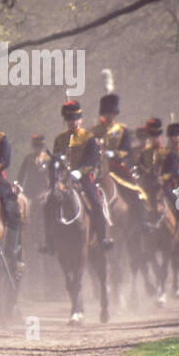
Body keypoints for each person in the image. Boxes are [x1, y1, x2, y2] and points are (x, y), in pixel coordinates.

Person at [43, 99, 112, 252]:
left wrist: (79, 172)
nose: (72, 122)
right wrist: (57, 171)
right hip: (63, 179)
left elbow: (92, 160)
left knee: (95, 202)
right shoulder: (59, 139)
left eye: (75, 119)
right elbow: (55, 159)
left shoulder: (88, 137)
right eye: (69, 119)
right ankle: (50, 242)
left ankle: (102, 238)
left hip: (83, 177)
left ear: (80, 119)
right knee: (48, 203)